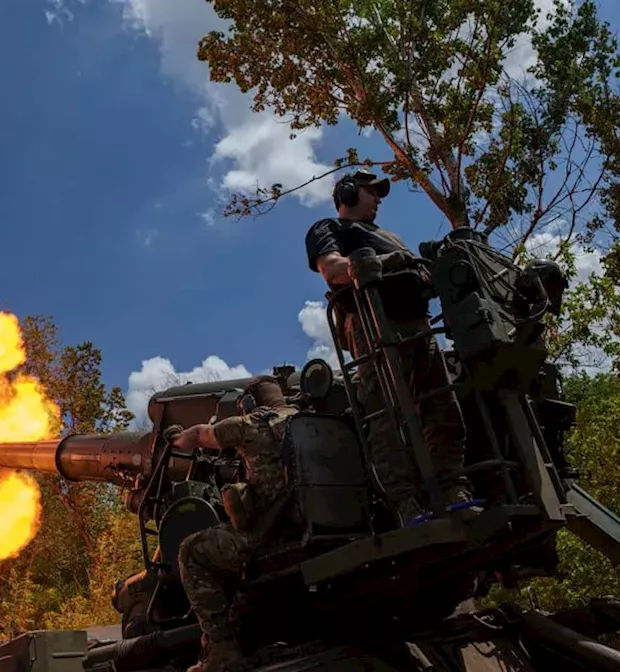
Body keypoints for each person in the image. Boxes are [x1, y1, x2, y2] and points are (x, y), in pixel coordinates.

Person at [304, 169, 473, 526]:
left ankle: (453, 488)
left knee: (443, 405)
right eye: (371, 192)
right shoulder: (330, 228)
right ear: (348, 194)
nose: (378, 199)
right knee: (385, 415)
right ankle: (405, 503)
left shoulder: (390, 236)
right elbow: (332, 268)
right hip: (372, 323)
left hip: (417, 326)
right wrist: (377, 263)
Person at [172, 376, 301, 672]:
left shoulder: (253, 424)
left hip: (272, 535)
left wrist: (175, 436)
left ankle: (221, 651)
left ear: (250, 405)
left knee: (191, 552)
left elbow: (199, 436)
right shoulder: (307, 418)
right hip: (309, 526)